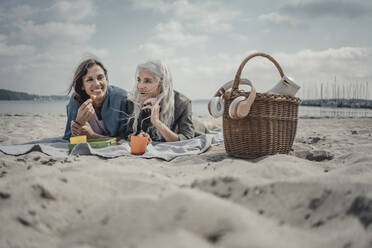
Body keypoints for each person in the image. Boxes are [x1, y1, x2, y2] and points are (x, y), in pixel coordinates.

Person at [122, 60, 208, 142]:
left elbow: (186, 138)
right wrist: (138, 137)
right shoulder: (134, 101)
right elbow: (127, 133)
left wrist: (156, 122)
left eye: (147, 81)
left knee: (205, 126)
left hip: (195, 127)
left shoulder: (182, 103)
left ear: (162, 84)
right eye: (139, 80)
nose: (140, 86)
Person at [63, 58, 127, 140]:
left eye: (100, 77)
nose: (96, 84)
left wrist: (92, 136)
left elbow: (125, 139)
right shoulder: (76, 99)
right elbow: (69, 138)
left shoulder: (121, 98)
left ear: (106, 79)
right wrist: (78, 124)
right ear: (82, 85)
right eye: (89, 80)